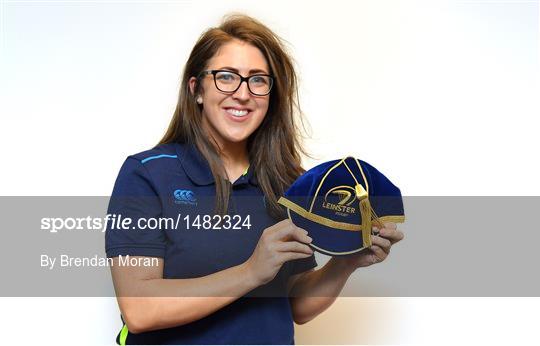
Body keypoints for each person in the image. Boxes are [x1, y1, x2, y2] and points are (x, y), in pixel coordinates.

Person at [105, 14, 404, 345]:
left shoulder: (290, 182)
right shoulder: (147, 174)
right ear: (197, 89)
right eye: (226, 77)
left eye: (258, 80)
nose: (243, 93)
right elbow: (139, 310)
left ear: (271, 95)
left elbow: (297, 305)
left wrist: (345, 262)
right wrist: (250, 272)